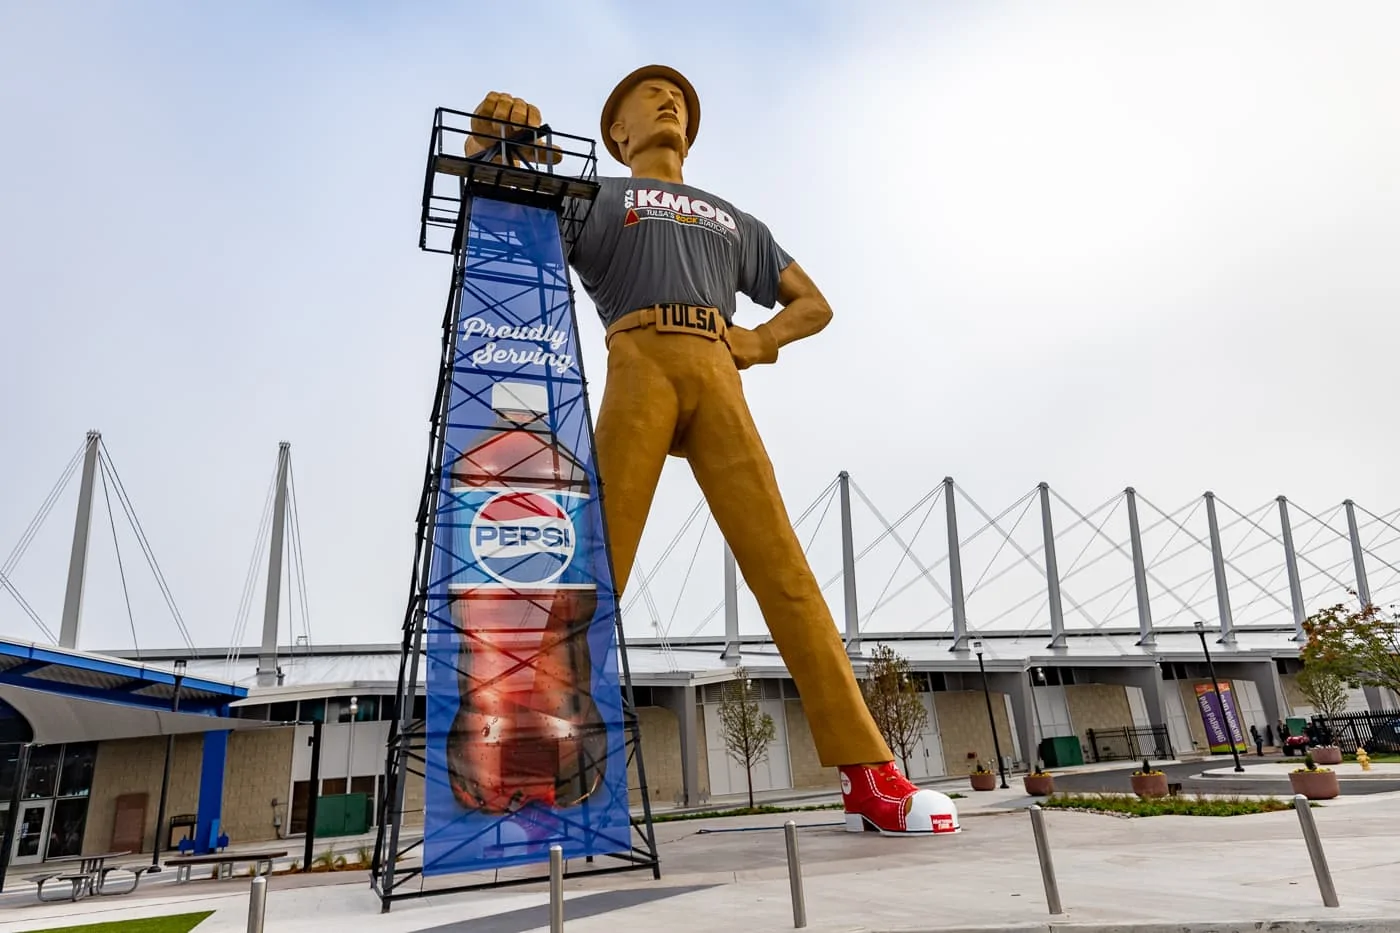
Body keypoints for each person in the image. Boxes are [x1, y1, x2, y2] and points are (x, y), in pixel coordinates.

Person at [463, 66, 957, 835]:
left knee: (785, 570)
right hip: (639, 362)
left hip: (719, 372)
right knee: (595, 565)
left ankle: (870, 772)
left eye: (681, 100)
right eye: (647, 95)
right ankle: (537, 767)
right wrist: (492, 145)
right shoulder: (598, 197)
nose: (670, 100)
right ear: (617, 132)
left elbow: (814, 302)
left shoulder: (735, 221)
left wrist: (759, 338)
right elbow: (507, 231)